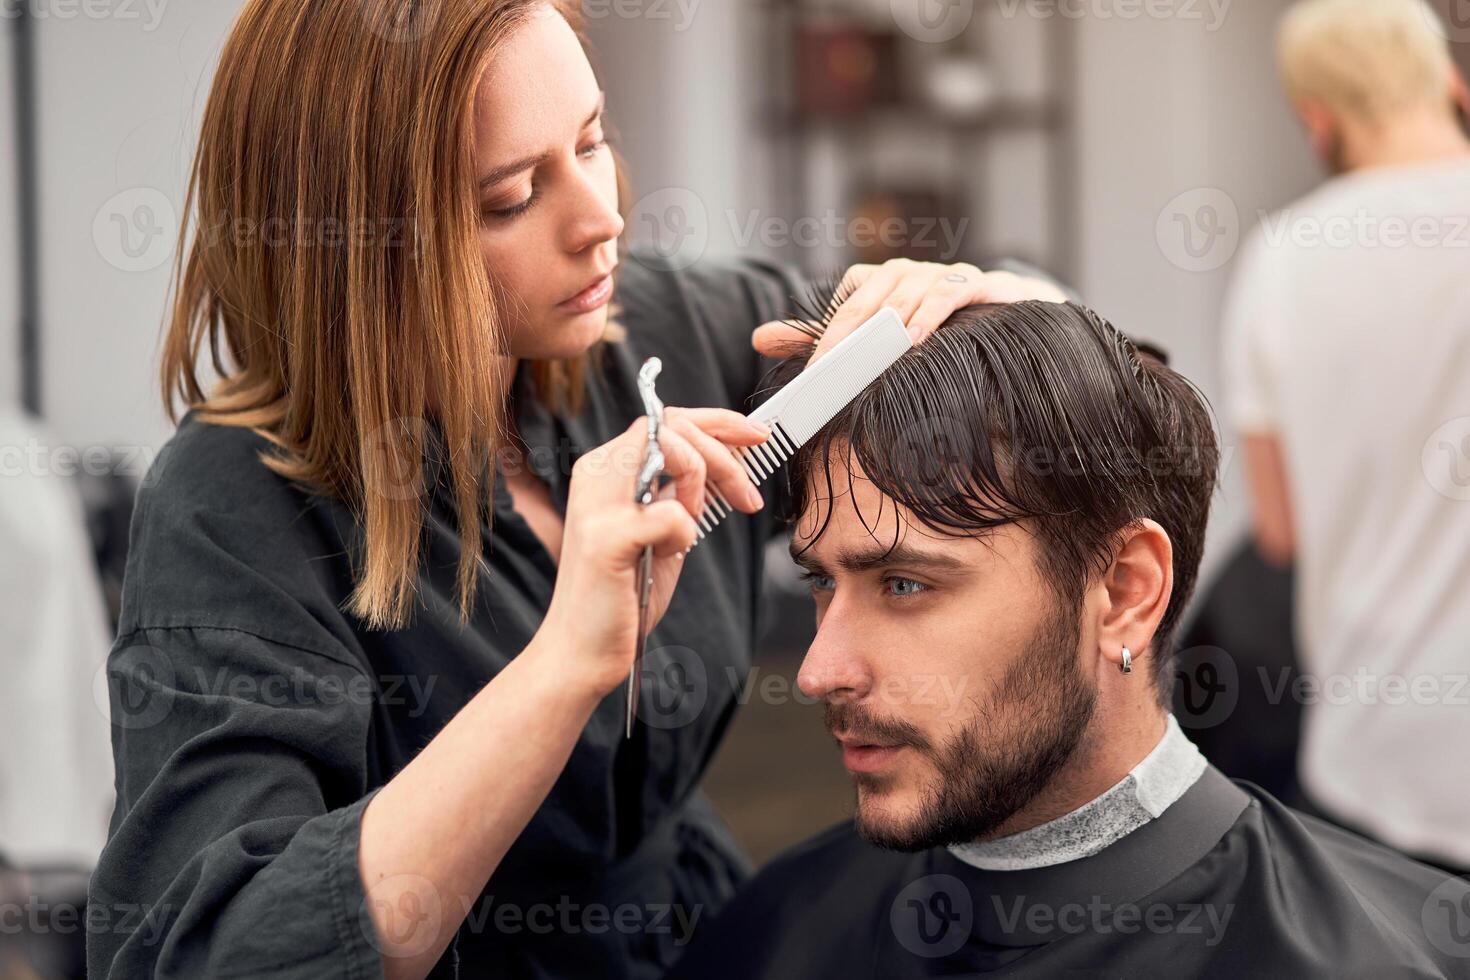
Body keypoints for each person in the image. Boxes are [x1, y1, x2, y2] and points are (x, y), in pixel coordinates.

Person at [83, 1, 1068, 978]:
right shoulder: (232, 511)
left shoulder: (660, 329)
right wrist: (565, 663)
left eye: (592, 141)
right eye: (511, 197)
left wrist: (964, 299)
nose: (601, 219)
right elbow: (211, 951)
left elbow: (1070, 349)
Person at [665, 300, 1470, 978]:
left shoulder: (1381, 959)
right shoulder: (768, 939)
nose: (818, 671)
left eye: (905, 584)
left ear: (1124, 590)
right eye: (822, 583)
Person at [1222, 0, 1470, 873]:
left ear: (1318, 118)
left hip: (1375, 751)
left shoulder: (1284, 257)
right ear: (1448, 79)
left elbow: (1281, 533)